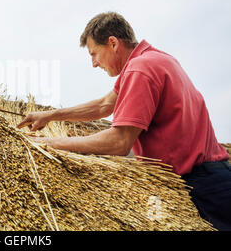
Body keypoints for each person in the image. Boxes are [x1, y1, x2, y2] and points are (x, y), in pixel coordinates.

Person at [16, 12, 231, 230]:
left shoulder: (140, 69)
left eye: (94, 54)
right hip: (212, 175)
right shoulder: (155, 60)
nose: (94, 64)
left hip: (204, 185)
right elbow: (104, 106)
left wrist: (51, 144)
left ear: (112, 43)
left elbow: (119, 142)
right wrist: (51, 115)